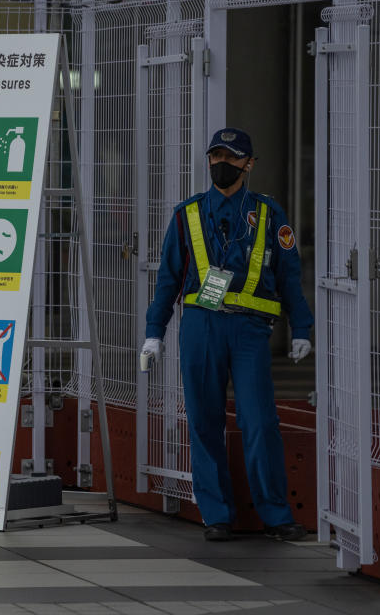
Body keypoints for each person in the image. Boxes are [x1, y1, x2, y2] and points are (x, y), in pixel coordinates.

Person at [140, 127, 313, 543]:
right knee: (204, 421)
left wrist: (301, 327)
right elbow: (168, 280)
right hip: (201, 328)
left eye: (232, 158)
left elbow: (289, 276)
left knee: (259, 421)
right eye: (216, 156)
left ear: (249, 164)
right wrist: (153, 332)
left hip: (250, 331)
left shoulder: (270, 214)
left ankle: (275, 514)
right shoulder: (187, 214)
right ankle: (216, 514)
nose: (222, 164)